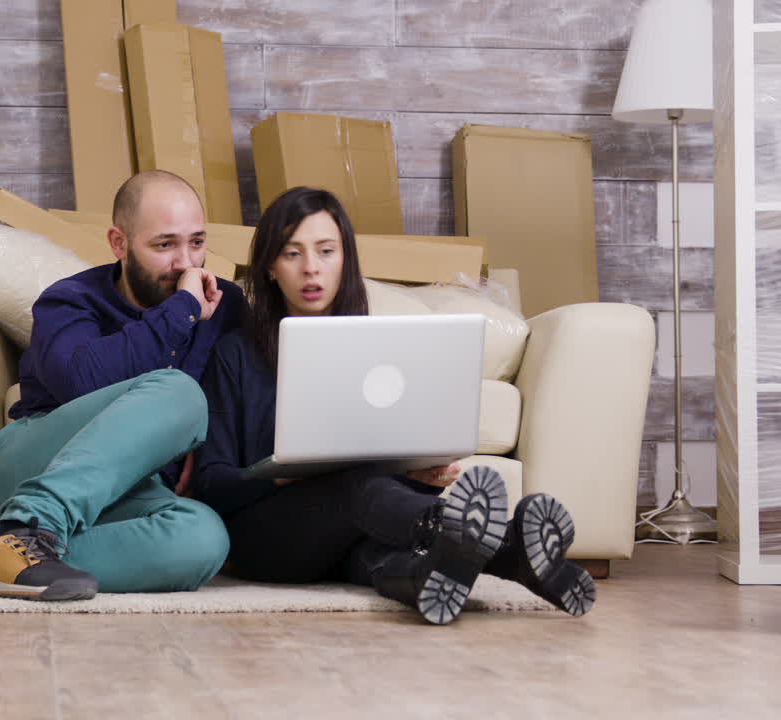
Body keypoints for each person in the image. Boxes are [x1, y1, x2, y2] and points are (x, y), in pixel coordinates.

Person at [191, 186, 596, 624]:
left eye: (326, 251)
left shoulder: (377, 350)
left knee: (378, 551)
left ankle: (471, 567)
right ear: (269, 266)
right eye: (292, 253)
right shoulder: (235, 352)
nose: (311, 268)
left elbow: (381, 461)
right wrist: (281, 477)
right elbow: (211, 484)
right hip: (266, 539)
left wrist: (417, 473)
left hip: (350, 530)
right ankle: (479, 534)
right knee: (356, 487)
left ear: (345, 260)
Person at [0, 170, 245, 600]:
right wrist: (182, 309)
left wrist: (200, 448)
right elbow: (82, 381)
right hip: (30, 467)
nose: (186, 263)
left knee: (205, 539)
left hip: (130, 494)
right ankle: (29, 524)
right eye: (165, 245)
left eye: (197, 243)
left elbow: (240, 394)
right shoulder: (68, 300)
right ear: (118, 243)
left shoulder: (226, 306)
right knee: (180, 392)